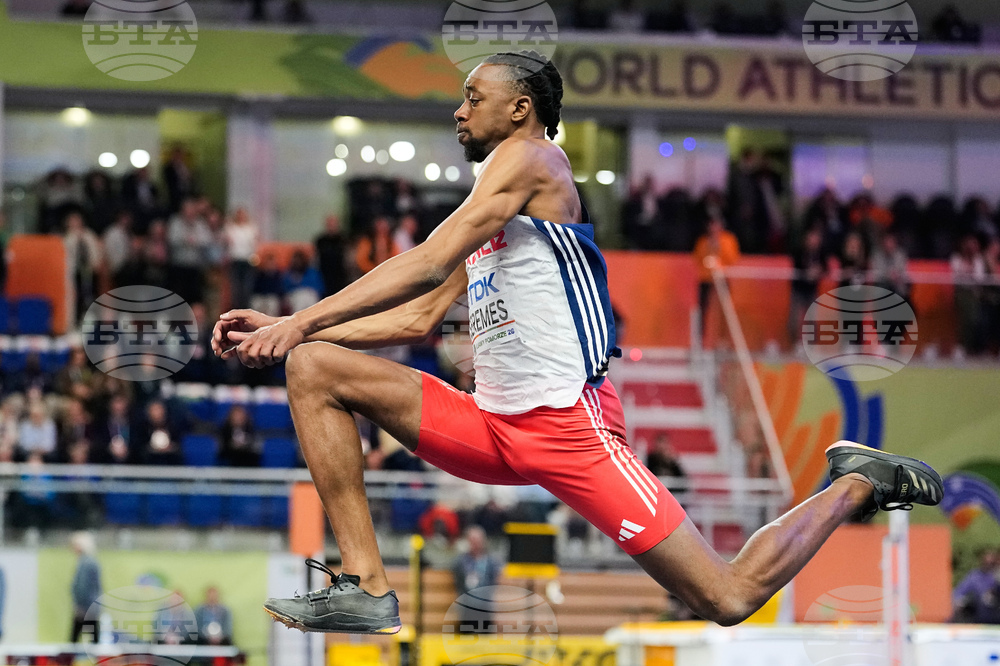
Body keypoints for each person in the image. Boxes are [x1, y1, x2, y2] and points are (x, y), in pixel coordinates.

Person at [212, 51, 943, 635]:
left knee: (724, 597)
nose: (458, 110)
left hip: (570, 429)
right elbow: (415, 318)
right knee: (313, 369)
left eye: (474, 96)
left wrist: (297, 318)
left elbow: (428, 260)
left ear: (520, 109)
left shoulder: (534, 164)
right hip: (492, 423)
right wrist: (290, 336)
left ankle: (855, 480)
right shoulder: (492, 213)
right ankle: (366, 585)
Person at [451, 526, 502, 634]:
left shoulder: (491, 561)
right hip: (467, 606)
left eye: (478, 540)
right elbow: (458, 582)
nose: (475, 544)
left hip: (485, 606)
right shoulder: (461, 561)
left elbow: (493, 580)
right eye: (472, 541)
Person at [952, 547, 1000, 623]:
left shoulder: (996, 576)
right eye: (986, 561)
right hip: (979, 618)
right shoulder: (974, 576)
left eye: (992, 562)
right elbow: (958, 593)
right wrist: (961, 601)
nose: (988, 564)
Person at [70, 532, 102, 643]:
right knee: (94, 638)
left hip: (86, 607)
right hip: (91, 606)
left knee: (74, 641)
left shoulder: (86, 563)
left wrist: (80, 606)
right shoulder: (89, 562)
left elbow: (82, 587)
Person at [314, 215, 350, 297]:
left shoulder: (343, 240)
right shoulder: (320, 241)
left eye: (333, 223)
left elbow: (347, 259)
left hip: (340, 276)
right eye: (330, 223)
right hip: (324, 275)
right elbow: (316, 259)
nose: (331, 226)